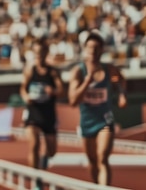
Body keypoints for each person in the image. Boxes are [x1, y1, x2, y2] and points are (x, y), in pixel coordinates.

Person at [68, 32, 127, 186]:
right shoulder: (78, 72)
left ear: (101, 50)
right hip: (87, 122)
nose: (92, 52)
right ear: (85, 50)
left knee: (103, 158)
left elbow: (121, 79)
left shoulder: (109, 69)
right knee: (93, 162)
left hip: (105, 120)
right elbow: (73, 101)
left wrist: (121, 95)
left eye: (96, 48)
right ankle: (96, 185)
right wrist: (87, 82)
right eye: (89, 48)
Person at [20, 38, 63, 189]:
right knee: (34, 145)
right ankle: (36, 180)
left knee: (52, 152)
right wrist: (26, 97)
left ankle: (44, 160)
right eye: (37, 53)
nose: (39, 56)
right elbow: (23, 88)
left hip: (48, 114)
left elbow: (60, 89)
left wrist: (53, 92)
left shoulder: (52, 72)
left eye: (42, 53)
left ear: (46, 53)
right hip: (33, 113)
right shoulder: (30, 70)